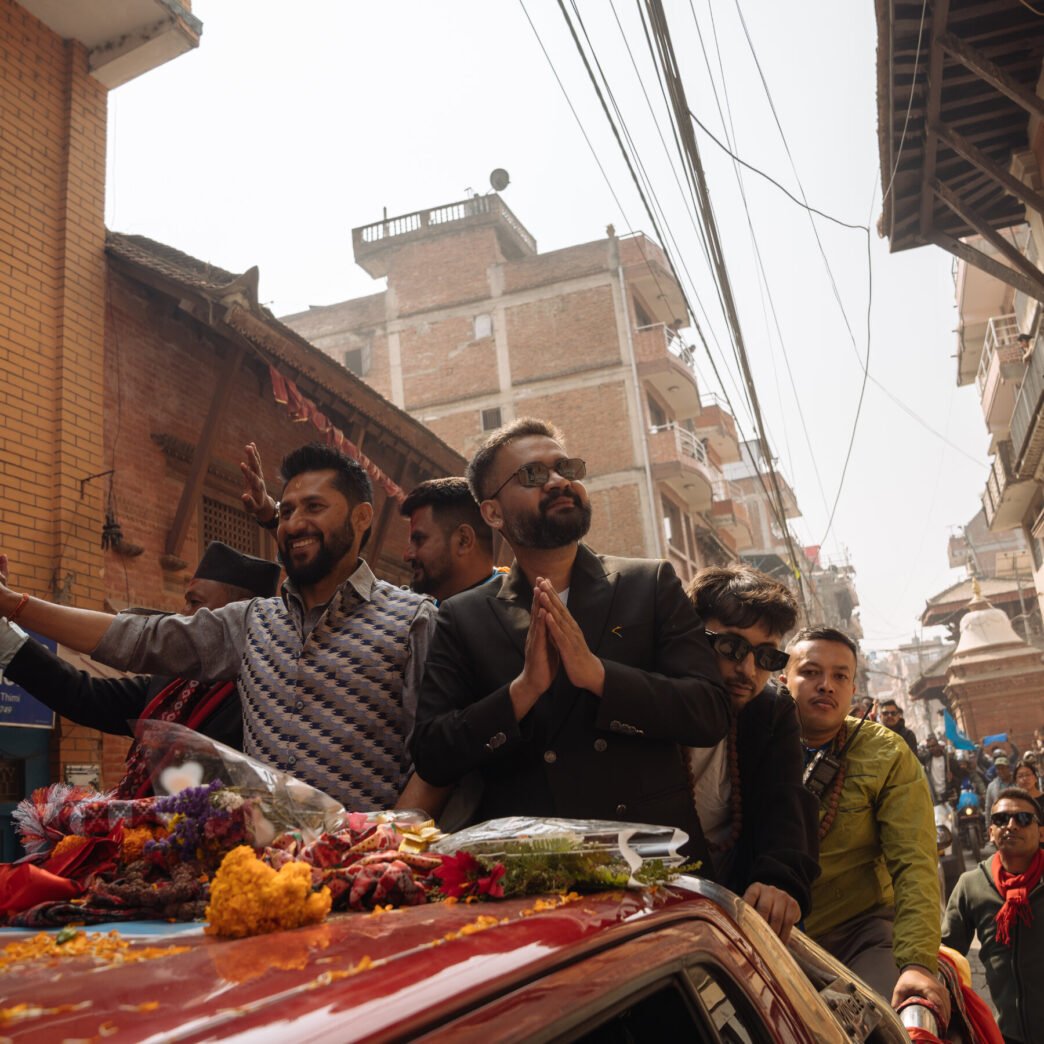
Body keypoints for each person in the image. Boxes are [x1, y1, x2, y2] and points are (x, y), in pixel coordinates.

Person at [0, 443, 437, 810]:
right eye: (286, 511)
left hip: (369, 873)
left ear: (361, 517)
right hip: (262, 871)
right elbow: (133, 639)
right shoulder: (252, 624)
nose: (293, 523)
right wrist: (12, 604)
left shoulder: (412, 620)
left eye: (314, 507)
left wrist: (389, 844)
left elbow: (436, 759)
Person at [410, 418, 730, 867]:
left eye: (566, 468)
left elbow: (709, 712)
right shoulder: (463, 616)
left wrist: (599, 676)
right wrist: (522, 692)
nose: (559, 482)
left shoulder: (649, 583)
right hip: (526, 864)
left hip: (650, 854)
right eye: (533, 474)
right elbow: (432, 754)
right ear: (493, 513)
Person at [0, 542, 280, 797]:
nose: (184, 614)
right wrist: (6, 636)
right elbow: (85, 696)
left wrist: (11, 601)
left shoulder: (265, 697)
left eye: (195, 603)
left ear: (233, 617)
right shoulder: (172, 686)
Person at [783, 627, 948, 1019]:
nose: (826, 685)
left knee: (879, 1024)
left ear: (853, 689)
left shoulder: (887, 753)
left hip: (860, 932)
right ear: (783, 679)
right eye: (811, 672)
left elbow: (914, 862)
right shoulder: (750, 739)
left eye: (840, 676)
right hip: (766, 934)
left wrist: (916, 962)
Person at [684, 566, 818, 941]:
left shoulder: (773, 711)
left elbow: (784, 803)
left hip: (740, 903)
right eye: (731, 647)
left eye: (765, 656)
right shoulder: (654, 699)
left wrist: (778, 881)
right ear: (692, 637)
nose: (747, 670)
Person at [942, 788, 1044, 1044]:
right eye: (1001, 819)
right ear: (990, 832)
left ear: (1041, 832)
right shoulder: (971, 885)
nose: (1011, 825)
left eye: (1023, 819)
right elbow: (948, 956)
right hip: (1004, 1035)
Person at [400, 477, 499, 602]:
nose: (407, 556)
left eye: (419, 540)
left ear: (464, 540)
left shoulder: (512, 611)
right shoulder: (421, 607)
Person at [921, 734, 959, 806]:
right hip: (935, 798)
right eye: (928, 747)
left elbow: (959, 778)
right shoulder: (927, 760)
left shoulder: (949, 761)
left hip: (948, 796)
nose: (931, 748)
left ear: (938, 745)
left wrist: (952, 778)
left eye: (933, 746)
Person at [985, 756, 1014, 820]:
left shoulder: (1017, 782)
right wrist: (988, 824)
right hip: (1000, 819)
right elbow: (988, 807)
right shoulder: (992, 786)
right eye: (998, 769)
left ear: (1008, 768)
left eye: (1003, 768)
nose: (1000, 771)